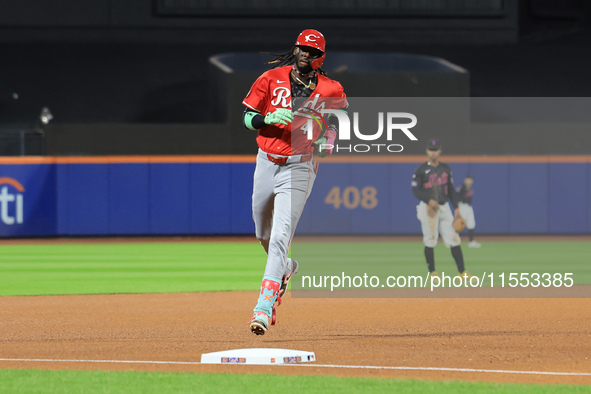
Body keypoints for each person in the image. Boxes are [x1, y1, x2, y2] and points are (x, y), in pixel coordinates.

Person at [242, 29, 348, 335]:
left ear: (320, 58)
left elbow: (341, 118)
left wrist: (328, 138)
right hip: (266, 160)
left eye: (312, 52)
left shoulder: (330, 88)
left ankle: (263, 304)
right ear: (296, 48)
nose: (306, 54)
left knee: (280, 236)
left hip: (300, 166)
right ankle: (286, 269)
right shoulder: (270, 78)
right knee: (263, 233)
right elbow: (247, 117)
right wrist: (267, 119)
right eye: (302, 48)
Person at [411, 139, 469, 278]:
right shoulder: (421, 170)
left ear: (440, 151)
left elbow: (450, 190)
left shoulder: (446, 169)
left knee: (454, 238)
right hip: (428, 208)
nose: (433, 152)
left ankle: (462, 272)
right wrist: (428, 200)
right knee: (430, 239)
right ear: (426, 151)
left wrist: (456, 208)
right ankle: (433, 273)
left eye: (435, 150)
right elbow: (415, 190)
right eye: (431, 149)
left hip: (444, 207)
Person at [457, 175, 481, 248]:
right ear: (465, 180)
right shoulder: (462, 187)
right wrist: (458, 207)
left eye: (470, 180)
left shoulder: (469, 188)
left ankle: (471, 242)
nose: (469, 181)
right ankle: (453, 240)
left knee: (471, 224)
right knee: (459, 224)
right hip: (462, 206)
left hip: (469, 207)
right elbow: (456, 196)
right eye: (467, 179)